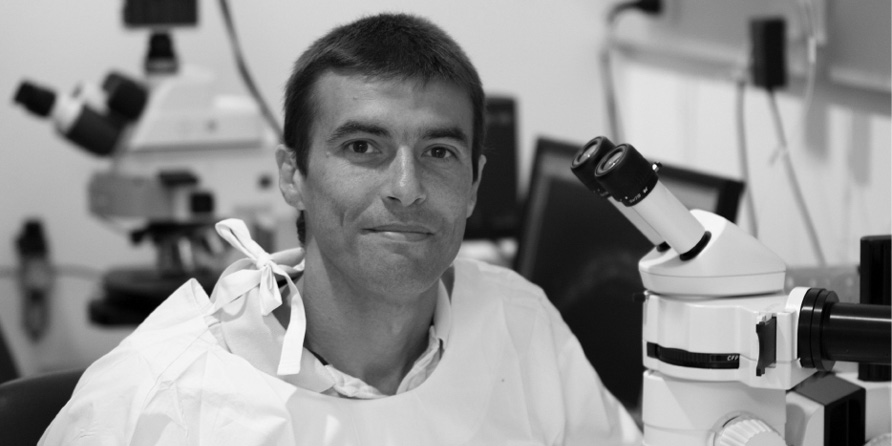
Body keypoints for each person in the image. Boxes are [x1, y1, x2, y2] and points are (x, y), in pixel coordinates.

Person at [40, 12, 642, 445]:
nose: (406, 187)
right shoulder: (154, 397)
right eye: (362, 146)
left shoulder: (518, 324)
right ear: (292, 175)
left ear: (475, 186)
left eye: (439, 152)